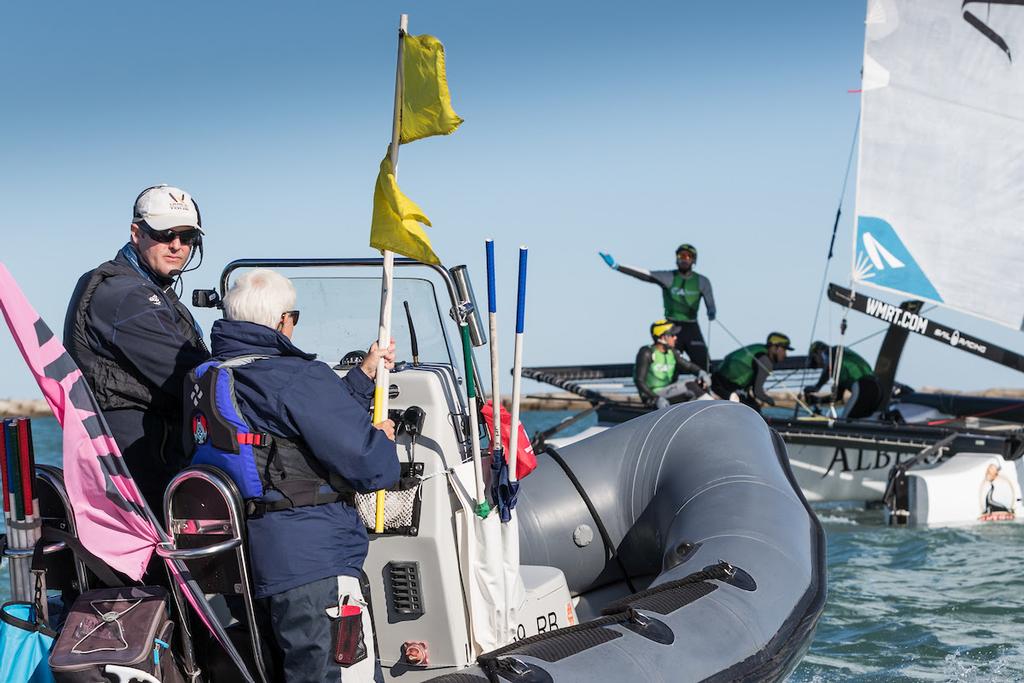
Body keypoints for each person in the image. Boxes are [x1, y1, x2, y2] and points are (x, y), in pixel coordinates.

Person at [188, 268, 399, 683]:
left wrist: (362, 376)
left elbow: (279, 440)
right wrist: (382, 438)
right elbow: (373, 467)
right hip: (314, 561)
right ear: (283, 321)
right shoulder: (298, 376)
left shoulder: (209, 377)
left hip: (246, 563)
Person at [64, 184, 210, 513]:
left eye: (187, 237)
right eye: (164, 233)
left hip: (150, 456)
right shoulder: (128, 296)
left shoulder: (142, 288)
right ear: (136, 233)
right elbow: (189, 376)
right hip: (139, 467)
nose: (177, 245)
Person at [599, 244, 716, 370]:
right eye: (681, 256)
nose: (684, 259)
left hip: (692, 327)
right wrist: (617, 266)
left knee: (705, 365)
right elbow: (644, 274)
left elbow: (710, 303)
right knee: (670, 365)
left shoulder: (702, 281)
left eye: (688, 256)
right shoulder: (669, 277)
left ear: (693, 260)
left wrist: (711, 311)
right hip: (671, 327)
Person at [635, 320, 711, 409]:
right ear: (663, 338)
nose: (675, 338)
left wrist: (701, 373)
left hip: (667, 392)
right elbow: (639, 381)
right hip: (652, 396)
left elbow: (689, 366)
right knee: (690, 386)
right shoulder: (647, 353)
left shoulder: (672, 352)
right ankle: (714, 409)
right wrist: (657, 398)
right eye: (672, 335)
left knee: (700, 384)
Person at [711, 332, 794, 412]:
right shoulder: (765, 361)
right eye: (784, 350)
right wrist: (772, 401)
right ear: (775, 348)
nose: (785, 355)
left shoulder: (760, 351)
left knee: (753, 406)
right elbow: (758, 392)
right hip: (724, 386)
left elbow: (752, 391)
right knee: (753, 410)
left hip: (718, 381)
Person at [803, 341, 883, 419]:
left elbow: (829, 365)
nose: (819, 365)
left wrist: (817, 387)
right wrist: (818, 400)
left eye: (814, 359)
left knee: (846, 420)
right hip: (877, 388)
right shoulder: (842, 369)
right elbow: (838, 396)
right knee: (861, 419)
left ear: (818, 352)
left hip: (863, 386)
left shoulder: (832, 351)